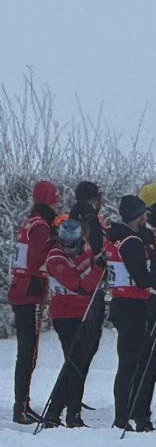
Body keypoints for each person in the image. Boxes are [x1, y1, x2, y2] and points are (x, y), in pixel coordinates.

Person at [105, 196, 156, 432]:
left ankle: (136, 415)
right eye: (142, 214)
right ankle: (125, 417)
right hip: (132, 306)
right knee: (134, 364)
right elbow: (143, 278)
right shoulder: (131, 242)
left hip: (128, 305)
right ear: (136, 216)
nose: (146, 217)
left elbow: (154, 262)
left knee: (144, 363)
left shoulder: (124, 239)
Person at [42, 219, 106, 428]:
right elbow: (80, 285)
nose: (68, 249)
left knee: (79, 362)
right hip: (65, 315)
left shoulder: (85, 248)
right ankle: (65, 412)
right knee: (74, 362)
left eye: (72, 245)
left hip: (85, 312)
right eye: (64, 244)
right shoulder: (55, 258)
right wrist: (97, 267)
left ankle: (64, 412)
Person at [7, 180, 58, 424]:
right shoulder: (41, 226)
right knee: (29, 351)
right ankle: (22, 406)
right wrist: (55, 244)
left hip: (20, 289)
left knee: (26, 351)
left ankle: (22, 404)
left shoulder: (29, 223)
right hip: (30, 291)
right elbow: (38, 260)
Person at [69, 180, 107, 255]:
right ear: (92, 199)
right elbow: (94, 246)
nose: (100, 203)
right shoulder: (88, 217)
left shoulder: (74, 214)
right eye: (97, 198)